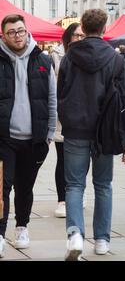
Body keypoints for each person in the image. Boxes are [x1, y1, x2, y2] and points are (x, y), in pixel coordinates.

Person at [57, 9, 125, 260]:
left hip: (76, 129)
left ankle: (75, 234)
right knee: (103, 185)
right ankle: (102, 239)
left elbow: (60, 94)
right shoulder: (115, 60)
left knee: (74, 185)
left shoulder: (69, 58)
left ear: (83, 26)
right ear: (105, 29)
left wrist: (67, 119)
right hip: (107, 131)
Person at [0, 14, 57, 258]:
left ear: (26, 31)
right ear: (3, 35)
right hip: (4, 138)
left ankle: (22, 226)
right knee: (2, 187)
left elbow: (52, 98)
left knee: (25, 187)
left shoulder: (42, 60)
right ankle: (0, 235)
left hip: (34, 139)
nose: (17, 35)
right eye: (11, 32)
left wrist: (49, 135)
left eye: (20, 30)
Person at [51, 22, 85, 219]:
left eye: (83, 36)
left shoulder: (89, 55)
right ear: (68, 37)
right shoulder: (56, 55)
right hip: (62, 114)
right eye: (76, 35)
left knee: (83, 159)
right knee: (63, 158)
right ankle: (62, 199)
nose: (79, 39)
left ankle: (78, 192)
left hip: (84, 115)